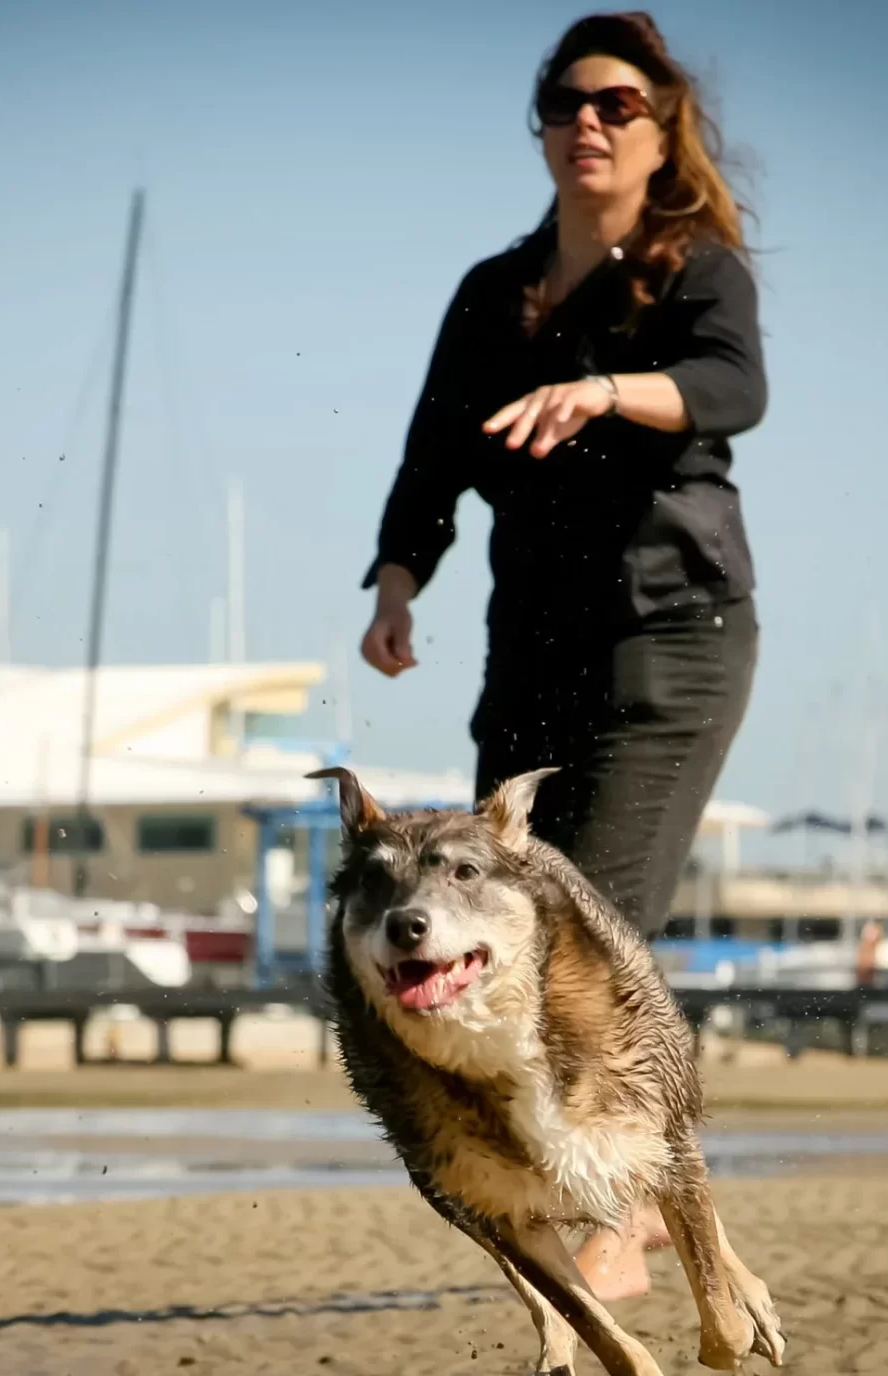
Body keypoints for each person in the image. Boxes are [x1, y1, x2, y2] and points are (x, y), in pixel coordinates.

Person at [358, 12, 767, 1301]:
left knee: (597, 916)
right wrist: (396, 584)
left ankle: (627, 1210)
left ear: (662, 131)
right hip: (526, 652)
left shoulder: (695, 269)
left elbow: (731, 386)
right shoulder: (493, 293)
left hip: (670, 638)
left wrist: (604, 390)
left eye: (618, 105)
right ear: (541, 128)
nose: (589, 122)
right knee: (506, 906)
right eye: (566, 103)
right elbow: (435, 454)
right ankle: (593, 1184)